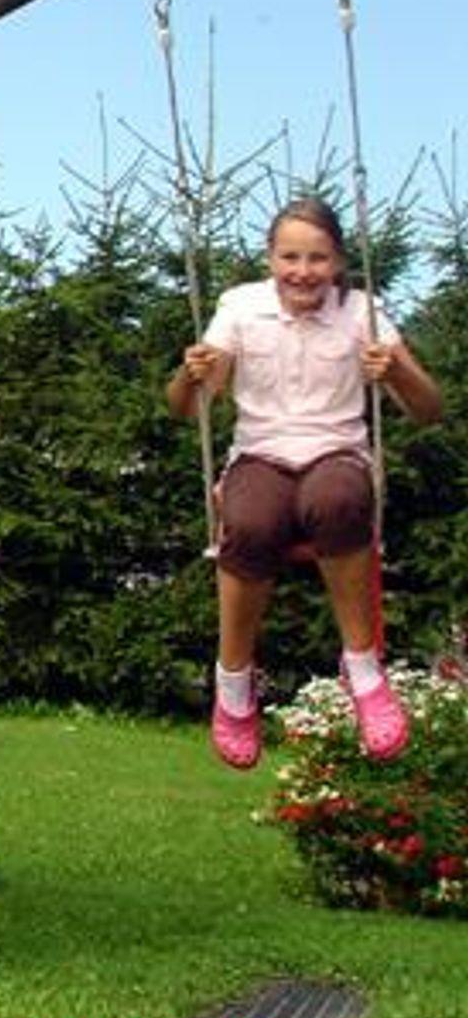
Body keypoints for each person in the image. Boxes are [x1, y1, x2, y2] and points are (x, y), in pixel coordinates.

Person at [167, 197, 443, 769]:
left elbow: (428, 409)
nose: (303, 271)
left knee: (337, 500)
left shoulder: (362, 312)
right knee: (250, 520)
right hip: (261, 453)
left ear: (338, 262)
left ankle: (363, 670)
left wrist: (395, 370)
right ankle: (234, 680)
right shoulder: (240, 308)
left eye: (318, 258)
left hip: (336, 451)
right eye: (289, 257)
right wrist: (190, 376)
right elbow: (186, 408)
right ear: (270, 258)